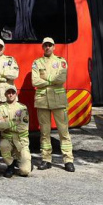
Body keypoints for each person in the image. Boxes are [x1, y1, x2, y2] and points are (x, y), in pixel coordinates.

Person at [31, 37, 74, 172]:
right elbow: (34, 81)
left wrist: (45, 80)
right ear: (42, 47)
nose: (48, 47)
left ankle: (68, 160)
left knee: (63, 132)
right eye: (45, 45)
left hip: (58, 101)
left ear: (54, 47)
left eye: (50, 45)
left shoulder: (61, 62)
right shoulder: (37, 63)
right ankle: (46, 159)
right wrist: (51, 81)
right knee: (44, 132)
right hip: (43, 101)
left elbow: (61, 79)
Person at [0, 84, 32, 177]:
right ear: (5, 94)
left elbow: (24, 127)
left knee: (25, 171)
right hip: (7, 139)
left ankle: (20, 160)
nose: (10, 95)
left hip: (20, 140)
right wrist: (14, 123)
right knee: (3, 145)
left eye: (13, 93)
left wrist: (7, 125)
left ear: (16, 94)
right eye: (8, 93)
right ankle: (10, 165)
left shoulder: (22, 108)